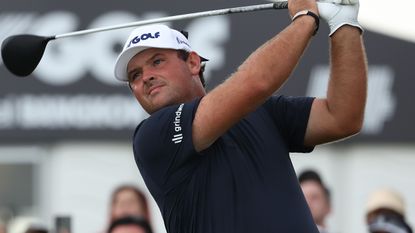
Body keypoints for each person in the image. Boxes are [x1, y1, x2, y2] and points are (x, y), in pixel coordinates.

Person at [113, 0, 367, 231]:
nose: (146, 77)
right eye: (135, 75)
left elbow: (342, 117)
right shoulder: (152, 136)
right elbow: (256, 83)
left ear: (192, 63)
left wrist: (344, 24)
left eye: (157, 61)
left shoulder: (261, 110)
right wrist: (305, 17)